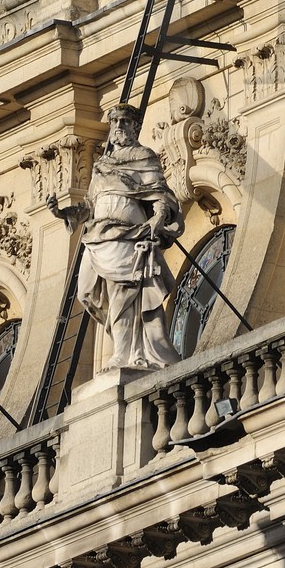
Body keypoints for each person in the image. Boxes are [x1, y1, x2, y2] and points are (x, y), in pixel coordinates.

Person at [75, 104, 182, 370]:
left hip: (128, 235)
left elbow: (159, 194)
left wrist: (157, 220)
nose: (119, 127)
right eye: (115, 122)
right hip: (98, 235)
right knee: (86, 291)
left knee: (123, 295)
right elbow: (88, 205)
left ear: (135, 126)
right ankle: (124, 348)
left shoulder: (144, 156)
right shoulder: (102, 165)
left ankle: (124, 354)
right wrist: (64, 211)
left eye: (124, 121)